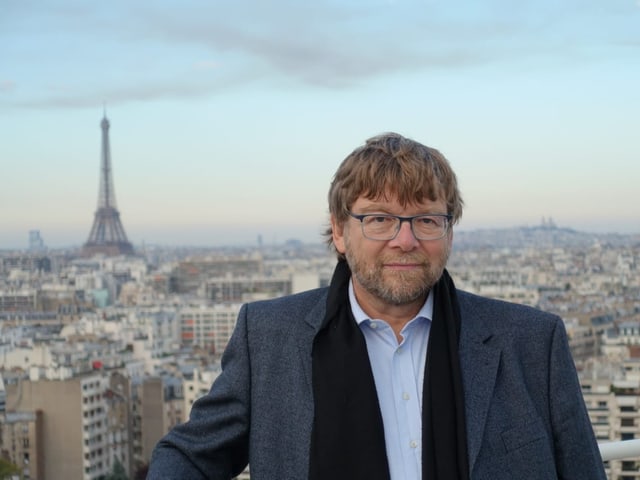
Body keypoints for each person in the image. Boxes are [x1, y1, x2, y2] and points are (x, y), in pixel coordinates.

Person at [147, 132, 606, 479]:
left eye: (426, 219)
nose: (404, 240)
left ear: (449, 232)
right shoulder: (268, 337)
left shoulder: (531, 341)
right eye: (380, 218)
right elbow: (188, 457)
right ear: (340, 232)